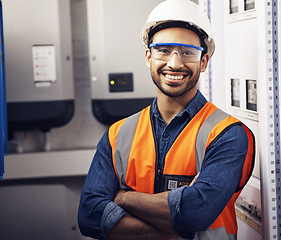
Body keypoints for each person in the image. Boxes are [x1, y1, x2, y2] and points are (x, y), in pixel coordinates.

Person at [78, 0, 255, 239]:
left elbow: (195, 213)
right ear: (148, 57)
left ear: (203, 62)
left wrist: (121, 197)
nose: (174, 63)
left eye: (187, 52)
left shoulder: (228, 134)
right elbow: (89, 216)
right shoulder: (117, 134)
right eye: (163, 50)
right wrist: (175, 221)